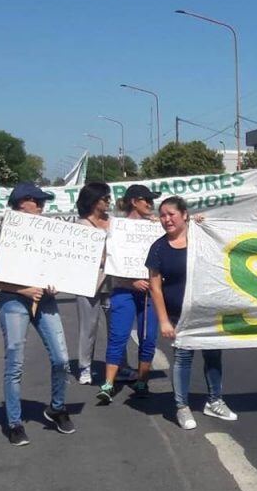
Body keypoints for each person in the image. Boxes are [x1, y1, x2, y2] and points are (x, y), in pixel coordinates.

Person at [0, 183, 75, 445]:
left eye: (42, 202)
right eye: (37, 201)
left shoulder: (47, 234)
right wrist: (23, 290)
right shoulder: (4, 234)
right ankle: (14, 424)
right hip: (13, 301)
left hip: (44, 300)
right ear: (22, 202)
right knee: (15, 362)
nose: (42, 206)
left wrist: (55, 285)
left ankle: (57, 408)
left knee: (61, 360)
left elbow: (58, 268)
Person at [146, 196, 237, 429]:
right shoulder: (158, 248)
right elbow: (155, 287)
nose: (167, 219)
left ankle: (215, 401)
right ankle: (182, 407)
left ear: (184, 215)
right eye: (163, 215)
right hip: (178, 315)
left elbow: (227, 246)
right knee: (183, 359)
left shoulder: (202, 238)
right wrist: (164, 321)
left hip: (207, 312)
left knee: (214, 356)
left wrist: (206, 223)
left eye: (171, 214)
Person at [97, 184, 161, 404]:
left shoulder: (156, 226)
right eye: (147, 200)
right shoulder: (116, 227)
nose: (151, 204)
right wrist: (131, 281)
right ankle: (108, 384)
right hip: (123, 290)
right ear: (134, 201)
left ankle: (142, 380)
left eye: (152, 201)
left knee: (149, 337)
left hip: (150, 292)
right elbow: (108, 261)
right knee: (118, 336)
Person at [75, 182, 114, 386]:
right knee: (88, 327)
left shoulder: (115, 222)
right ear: (93, 200)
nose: (109, 201)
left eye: (109, 198)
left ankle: (118, 365)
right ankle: (85, 367)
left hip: (114, 283)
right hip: (88, 284)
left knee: (116, 327)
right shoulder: (81, 226)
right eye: (105, 198)